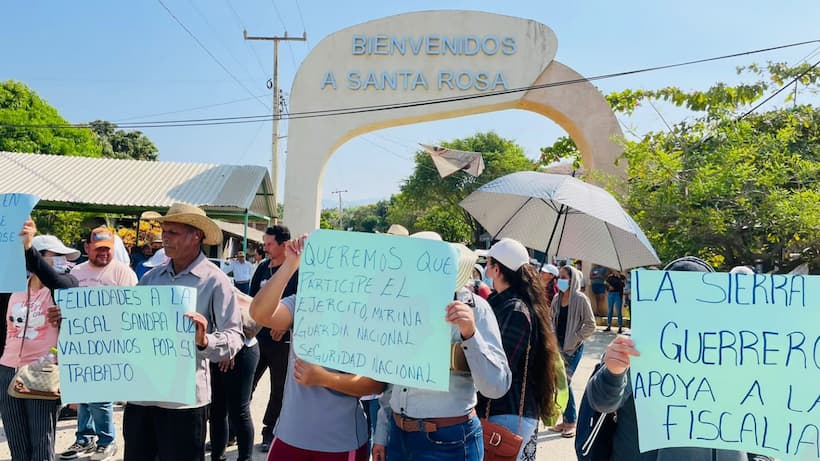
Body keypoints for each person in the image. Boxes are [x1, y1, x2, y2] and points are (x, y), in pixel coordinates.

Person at [583, 256, 750, 460]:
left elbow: (752, 412)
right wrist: (613, 372)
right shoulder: (636, 344)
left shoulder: (733, 349)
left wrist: (759, 455)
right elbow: (602, 403)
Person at [373, 236, 512, 461]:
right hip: (398, 438)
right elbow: (393, 379)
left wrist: (470, 334)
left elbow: (496, 387)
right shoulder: (400, 308)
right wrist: (383, 433)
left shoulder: (476, 309)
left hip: (449, 441)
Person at [124, 203, 244, 460]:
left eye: (173, 232)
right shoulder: (150, 278)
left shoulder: (216, 281)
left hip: (184, 403)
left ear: (196, 236)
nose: (164, 237)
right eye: (164, 231)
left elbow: (235, 336)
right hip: (141, 398)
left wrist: (204, 340)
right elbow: (128, 325)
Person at [250, 235, 384, 461]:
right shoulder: (303, 302)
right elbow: (259, 313)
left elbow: (376, 384)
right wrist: (290, 263)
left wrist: (324, 378)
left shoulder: (369, 315)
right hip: (289, 435)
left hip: (341, 441)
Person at [475, 238, 561, 461]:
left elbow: (499, 368)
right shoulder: (503, 303)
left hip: (507, 413)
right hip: (502, 411)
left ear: (497, 269)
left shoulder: (515, 309)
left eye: (488, 263)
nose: (486, 269)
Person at [0, 222, 79, 461]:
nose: (63, 262)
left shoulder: (64, 289)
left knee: (42, 445)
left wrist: (28, 248)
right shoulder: (12, 287)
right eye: (57, 256)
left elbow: (58, 281)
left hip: (42, 373)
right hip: (7, 371)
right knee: (18, 445)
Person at [60, 226, 137, 461]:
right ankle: (84, 438)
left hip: (109, 345)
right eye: (98, 249)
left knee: (101, 396)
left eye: (107, 249)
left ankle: (107, 440)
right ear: (87, 248)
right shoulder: (75, 272)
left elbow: (134, 308)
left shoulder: (124, 273)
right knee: (82, 393)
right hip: (80, 344)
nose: (103, 254)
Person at [249, 224, 299, 452]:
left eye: (269, 244)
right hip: (258, 339)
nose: (265, 248)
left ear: (283, 245)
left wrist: (286, 325)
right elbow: (251, 301)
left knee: (278, 388)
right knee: (246, 384)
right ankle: (233, 429)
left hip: (282, 342)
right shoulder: (261, 269)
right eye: (265, 243)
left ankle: (269, 430)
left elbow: (300, 305)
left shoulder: (296, 273)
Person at [207, 289, 260, 461]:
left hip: (243, 349)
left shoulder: (216, 283)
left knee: (239, 411)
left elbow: (238, 321)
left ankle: (245, 458)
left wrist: (230, 350)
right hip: (218, 350)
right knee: (216, 411)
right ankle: (217, 456)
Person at [549, 264, 596, 438]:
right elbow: (550, 318)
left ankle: (571, 421)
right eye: (559, 277)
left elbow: (591, 324)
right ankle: (566, 420)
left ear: (572, 279)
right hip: (557, 348)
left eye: (564, 277)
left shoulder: (581, 299)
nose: (560, 280)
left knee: (564, 384)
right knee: (558, 384)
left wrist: (576, 337)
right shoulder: (556, 298)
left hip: (573, 349)